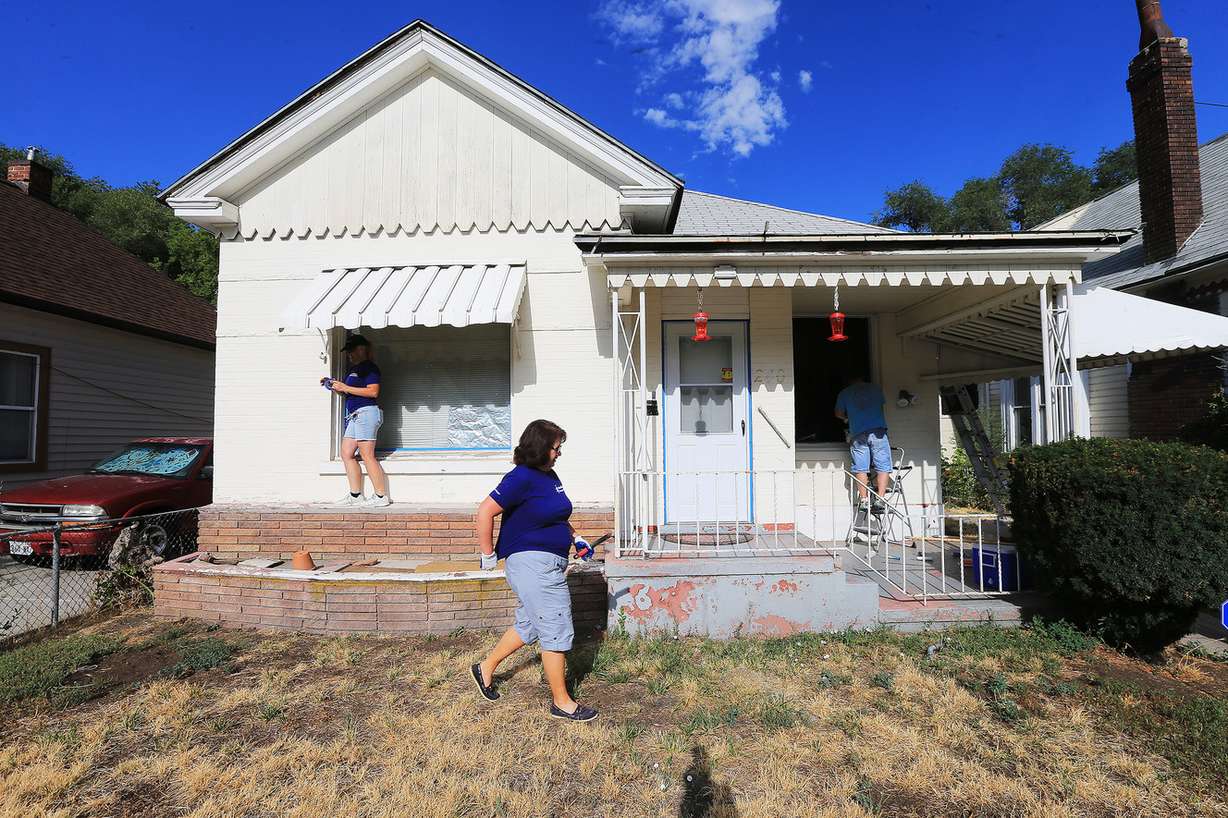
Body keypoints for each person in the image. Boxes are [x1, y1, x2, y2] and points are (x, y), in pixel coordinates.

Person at [469, 419, 597, 722]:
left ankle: (484, 668)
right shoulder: (520, 478)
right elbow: (485, 511)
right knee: (555, 626)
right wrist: (487, 554)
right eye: (556, 448)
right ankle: (561, 702)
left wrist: (575, 538)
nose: (559, 453)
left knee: (530, 624)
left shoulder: (549, 476)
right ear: (541, 448)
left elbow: (556, 517)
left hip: (549, 562)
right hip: (531, 564)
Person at [326, 334, 389, 507]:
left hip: (366, 414)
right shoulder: (355, 369)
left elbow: (373, 392)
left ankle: (381, 496)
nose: (349, 355)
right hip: (355, 415)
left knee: (367, 455)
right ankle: (355, 495)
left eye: (351, 351)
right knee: (346, 453)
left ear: (361, 349)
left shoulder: (370, 368)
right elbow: (351, 391)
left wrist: (345, 387)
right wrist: (335, 386)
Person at [834, 373, 892, 512]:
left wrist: (847, 418)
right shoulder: (875, 389)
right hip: (878, 430)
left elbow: (838, 413)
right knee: (883, 464)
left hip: (858, 432)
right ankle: (881, 499)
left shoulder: (845, 393)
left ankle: (864, 500)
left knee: (861, 467)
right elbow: (881, 404)